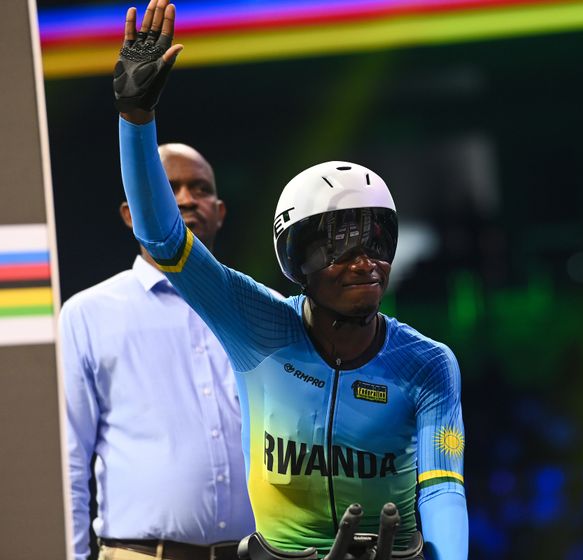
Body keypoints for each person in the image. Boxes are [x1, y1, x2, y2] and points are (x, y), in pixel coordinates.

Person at [112, 1, 468, 558]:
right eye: (341, 244)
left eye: (379, 241)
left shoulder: (428, 364)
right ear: (295, 258)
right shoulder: (253, 322)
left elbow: (443, 489)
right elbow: (162, 239)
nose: (365, 261)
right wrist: (136, 119)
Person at [60, 140, 255, 560]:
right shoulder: (88, 314)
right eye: (168, 188)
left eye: (200, 188)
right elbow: (70, 460)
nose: (185, 199)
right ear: (131, 216)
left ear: (219, 212)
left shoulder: (259, 309)